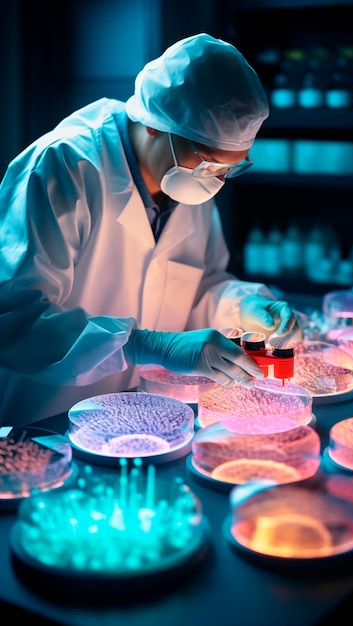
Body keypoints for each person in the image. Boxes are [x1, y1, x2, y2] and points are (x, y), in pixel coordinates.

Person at [0, 33, 301, 426]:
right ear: (156, 125)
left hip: (145, 418)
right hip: (45, 418)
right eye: (210, 163)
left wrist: (242, 306)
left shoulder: (189, 183)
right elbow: (15, 317)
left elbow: (201, 284)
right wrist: (143, 345)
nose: (216, 180)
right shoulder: (63, 167)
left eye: (230, 168)